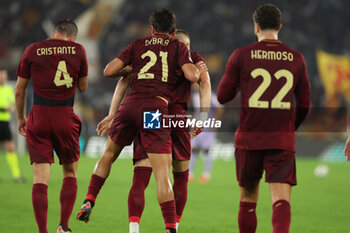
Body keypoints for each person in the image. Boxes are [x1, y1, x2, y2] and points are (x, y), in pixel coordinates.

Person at [76, 9, 199, 233]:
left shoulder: (139, 44)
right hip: (153, 109)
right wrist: (190, 66)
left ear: (152, 29)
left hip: (129, 106)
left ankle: (89, 199)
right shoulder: (177, 46)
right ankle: (171, 228)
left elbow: (108, 71)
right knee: (162, 174)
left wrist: (129, 69)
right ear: (173, 31)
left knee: (108, 154)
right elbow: (192, 76)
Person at [98, 29, 210, 233]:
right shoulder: (193, 59)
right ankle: (173, 227)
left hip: (153, 115)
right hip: (177, 119)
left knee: (141, 175)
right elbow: (205, 84)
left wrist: (113, 112)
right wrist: (203, 116)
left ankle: (134, 228)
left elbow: (124, 80)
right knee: (181, 176)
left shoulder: (157, 53)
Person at [217, 4, 310, 233]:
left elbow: (222, 96)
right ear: (280, 26)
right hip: (281, 141)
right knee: (281, 200)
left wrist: (241, 81)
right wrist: (289, 127)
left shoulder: (241, 55)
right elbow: (305, 105)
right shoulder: (296, 58)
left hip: (249, 140)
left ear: (255, 26)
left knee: (248, 199)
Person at [15, 19, 88, 233]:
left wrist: (21, 118)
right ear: (72, 37)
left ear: (54, 32)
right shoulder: (78, 49)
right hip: (64, 116)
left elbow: (19, 91)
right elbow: (82, 87)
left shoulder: (33, 50)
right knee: (70, 173)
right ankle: (63, 226)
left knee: (40, 179)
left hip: (38, 116)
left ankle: (42, 231)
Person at [189, 89, 223, 183]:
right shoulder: (194, 96)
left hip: (208, 128)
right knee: (193, 149)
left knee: (206, 150)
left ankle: (206, 174)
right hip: (196, 127)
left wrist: (215, 122)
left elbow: (220, 107)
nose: (195, 86)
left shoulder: (211, 95)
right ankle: (190, 174)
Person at [0, 70, 25, 182]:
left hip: (5, 123)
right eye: (1, 75)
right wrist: (3, 108)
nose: (3, 78)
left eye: (4, 76)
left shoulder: (8, 89)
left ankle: (16, 175)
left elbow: (12, 105)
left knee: (10, 148)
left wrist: (10, 108)